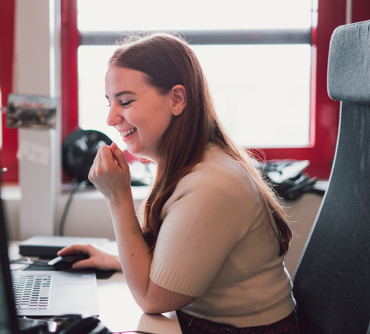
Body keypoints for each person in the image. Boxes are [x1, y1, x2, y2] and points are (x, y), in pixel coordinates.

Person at [58, 33, 299, 333]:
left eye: (125, 101)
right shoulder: (184, 165)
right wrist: (117, 260)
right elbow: (176, 262)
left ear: (176, 100)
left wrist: (117, 198)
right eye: (110, 103)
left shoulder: (211, 185)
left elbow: (152, 299)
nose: (110, 118)